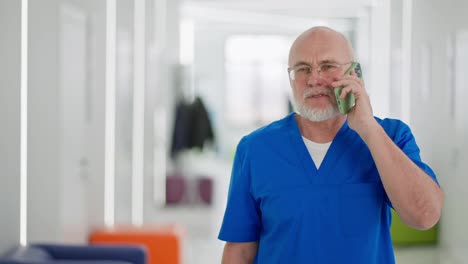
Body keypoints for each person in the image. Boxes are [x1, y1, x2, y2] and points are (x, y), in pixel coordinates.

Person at [218, 26, 444, 263]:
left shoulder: (391, 136)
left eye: (327, 66)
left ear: (355, 73)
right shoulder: (255, 149)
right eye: (302, 69)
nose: (314, 79)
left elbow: (425, 216)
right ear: (290, 78)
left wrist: (368, 128)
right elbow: (240, 250)